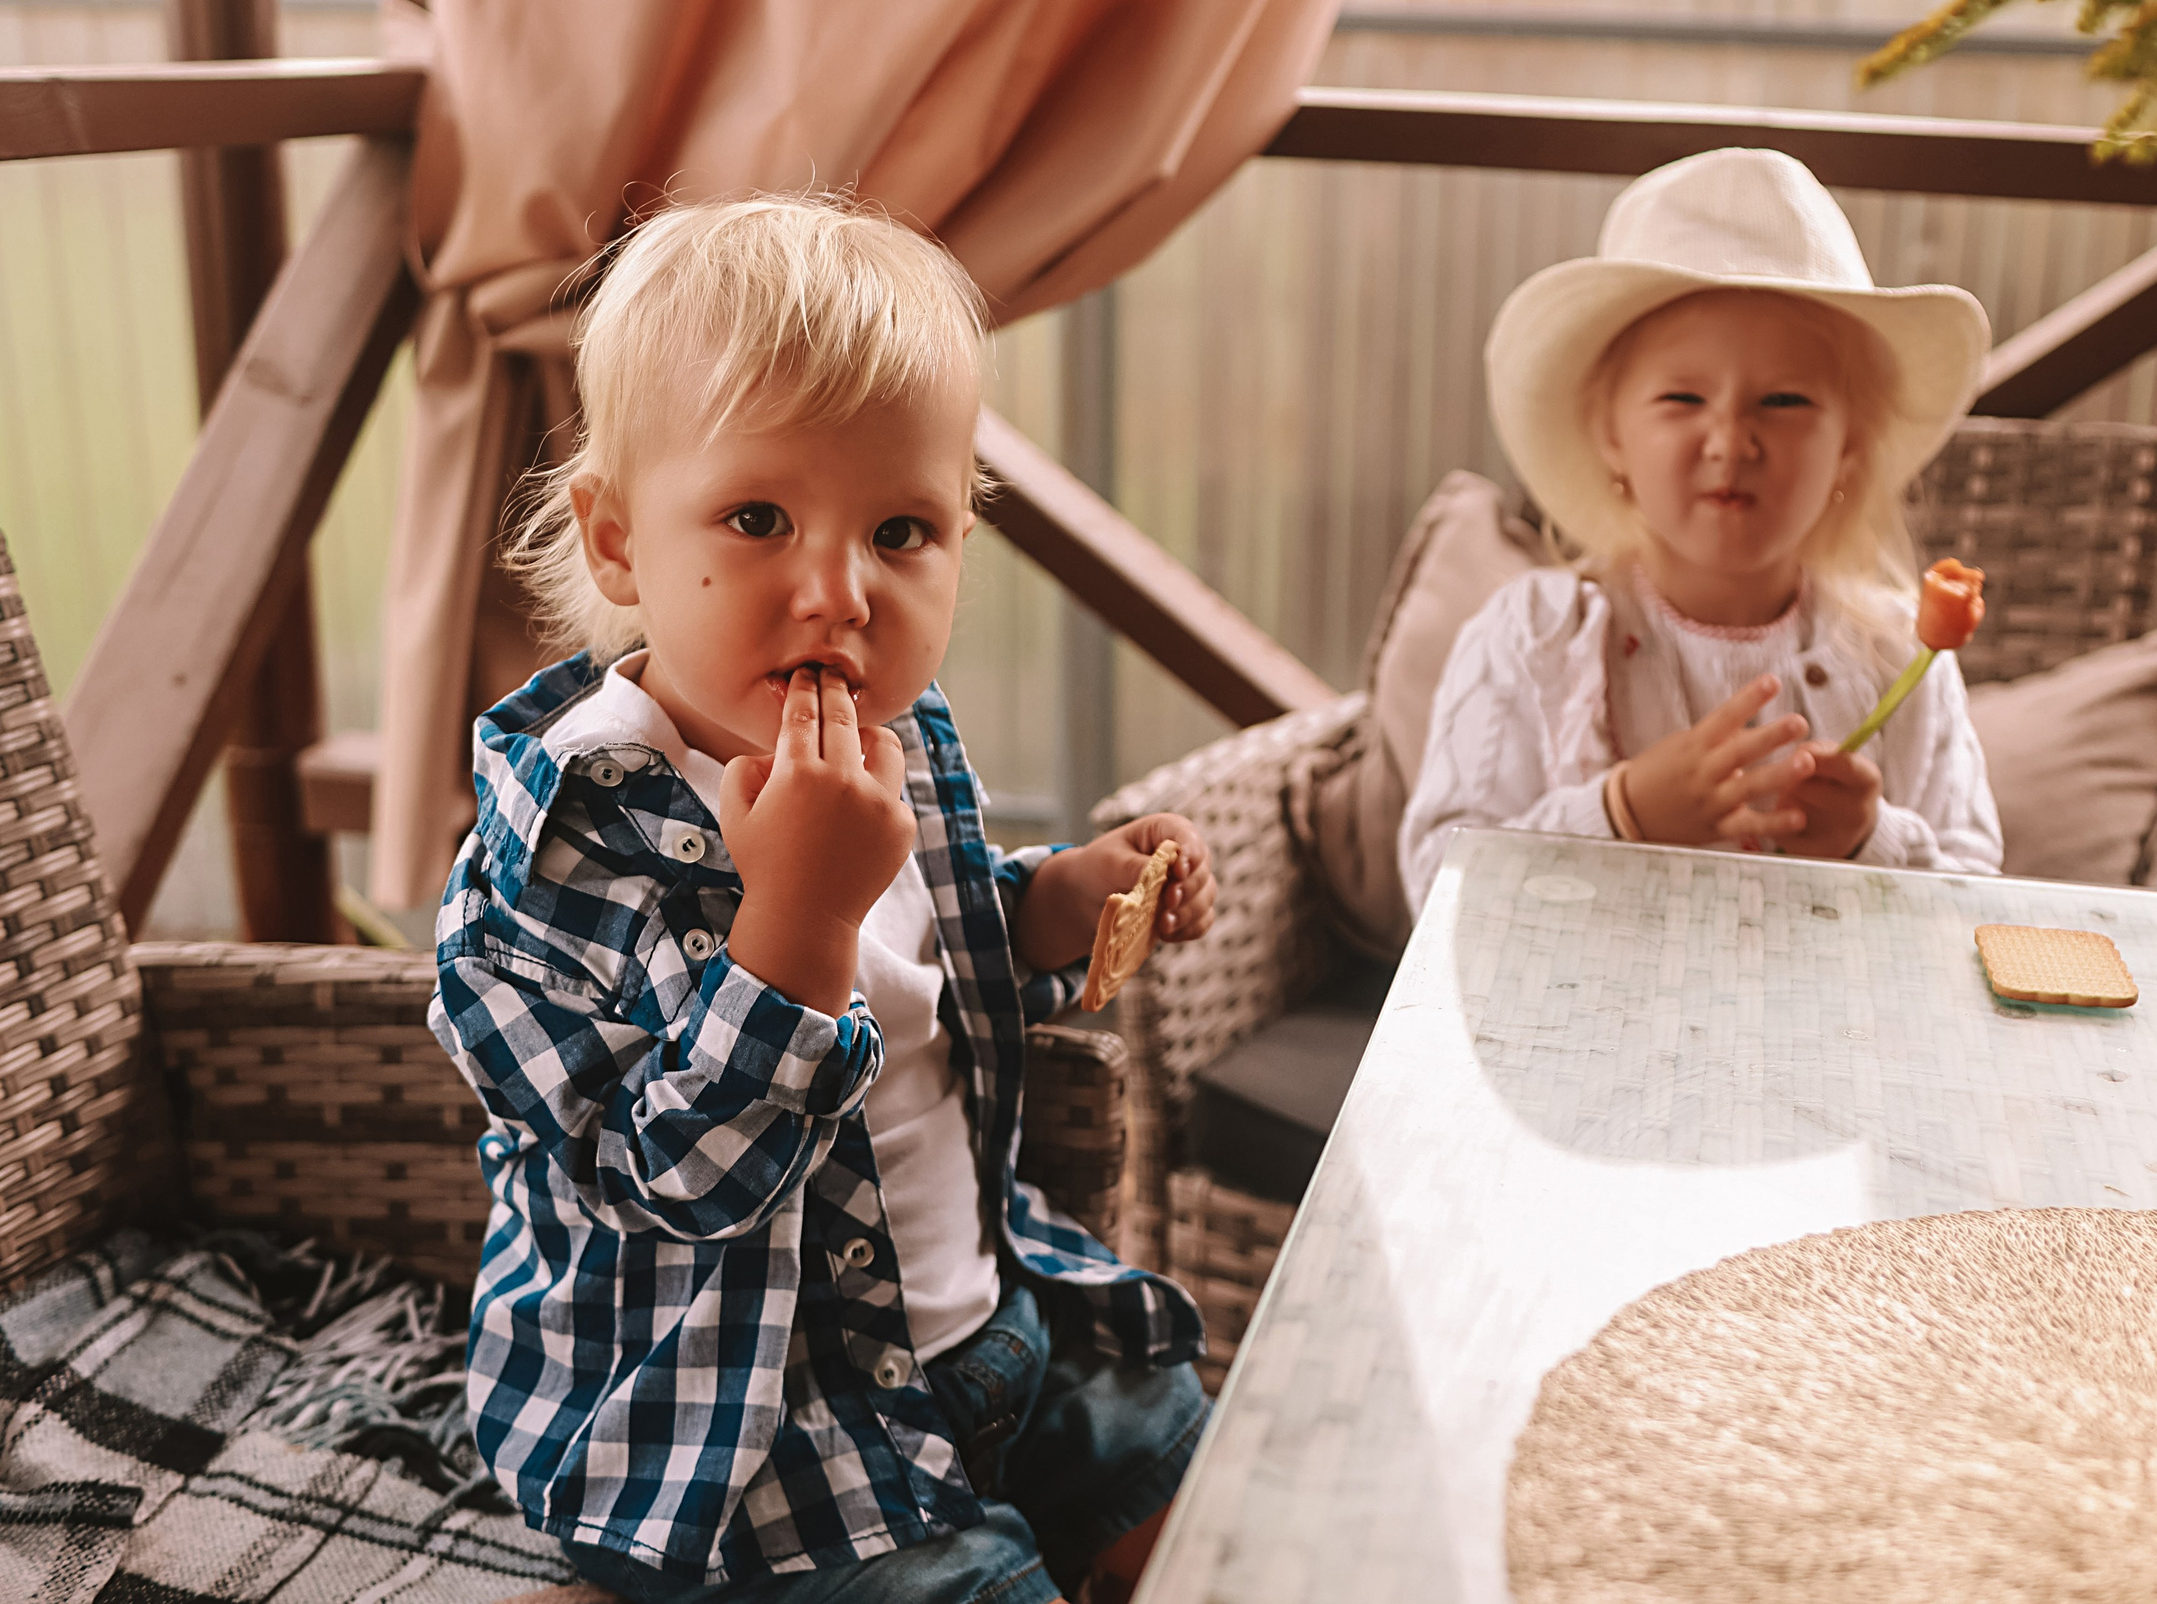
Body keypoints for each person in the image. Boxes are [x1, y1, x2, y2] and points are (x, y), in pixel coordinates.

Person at [429, 194, 1216, 1604]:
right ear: (615, 543)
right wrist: (793, 926)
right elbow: (669, 1188)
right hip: (734, 1436)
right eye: (759, 516)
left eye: (904, 528)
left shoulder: (897, 740)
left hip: (983, 1328)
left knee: (1229, 1511)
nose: (838, 592)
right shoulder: (552, 849)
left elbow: (940, 961)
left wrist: (1064, 905)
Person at [1398, 148, 2004, 911]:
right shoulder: (1532, 639)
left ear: (1850, 442)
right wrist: (1619, 815)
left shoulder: (1897, 655)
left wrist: (1868, 842)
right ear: (1610, 435)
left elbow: (1978, 901)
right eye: (1682, 398)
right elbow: (1436, 890)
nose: (1730, 442)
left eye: (1783, 402)